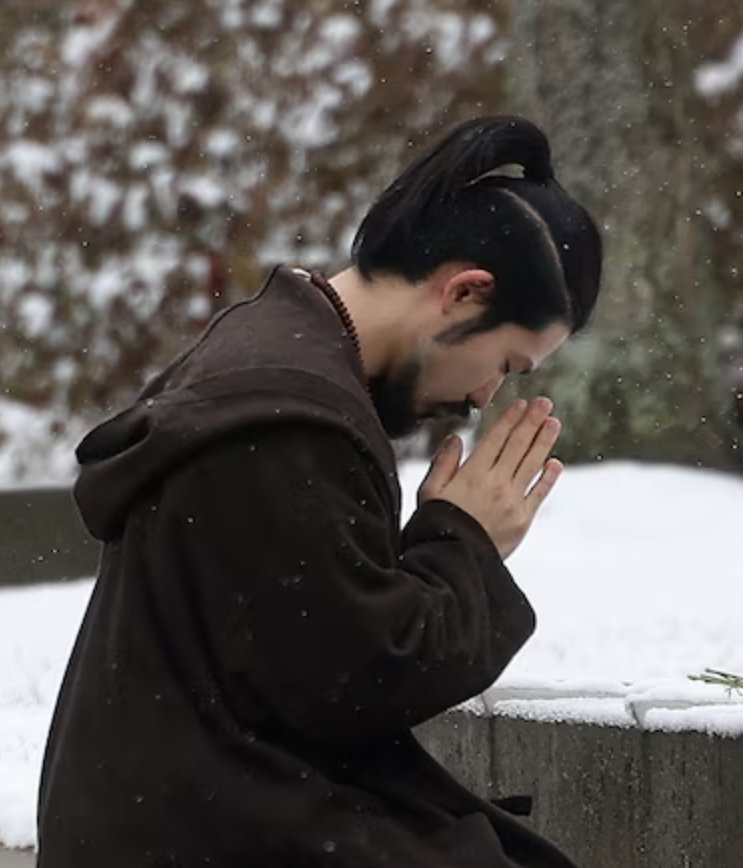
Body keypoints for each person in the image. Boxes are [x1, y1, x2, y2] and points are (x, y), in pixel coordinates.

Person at [35, 114, 602, 868]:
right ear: (465, 292)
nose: (484, 397)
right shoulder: (290, 421)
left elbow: (295, 645)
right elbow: (358, 681)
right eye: (507, 363)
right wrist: (464, 544)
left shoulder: (276, 356)